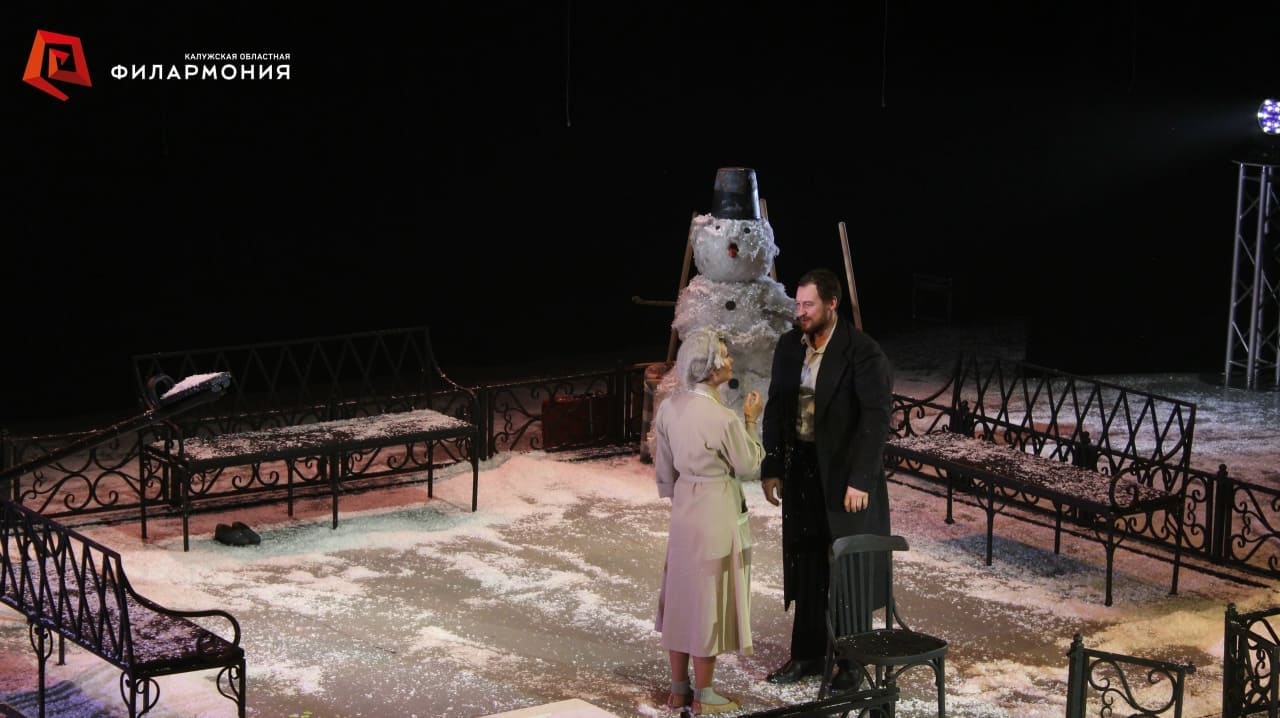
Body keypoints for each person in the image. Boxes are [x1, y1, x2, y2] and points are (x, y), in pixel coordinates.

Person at [759, 268, 895, 689]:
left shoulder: (862, 352)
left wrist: (861, 479)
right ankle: (807, 654)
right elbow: (777, 407)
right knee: (807, 563)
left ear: (832, 304)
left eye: (809, 305)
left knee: (847, 567)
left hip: (844, 476)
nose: (800, 312)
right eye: (798, 304)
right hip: (803, 470)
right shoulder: (789, 347)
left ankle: (852, 662)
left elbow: (875, 419)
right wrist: (773, 465)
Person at [653, 328, 765, 714]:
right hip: (716, 508)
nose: (731, 361)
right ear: (712, 367)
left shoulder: (669, 408)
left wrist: (680, 494)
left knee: (681, 595)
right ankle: (704, 694)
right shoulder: (723, 417)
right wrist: (751, 421)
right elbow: (748, 465)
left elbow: (664, 468)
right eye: (725, 356)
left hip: (686, 506)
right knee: (708, 601)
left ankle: (678, 690)